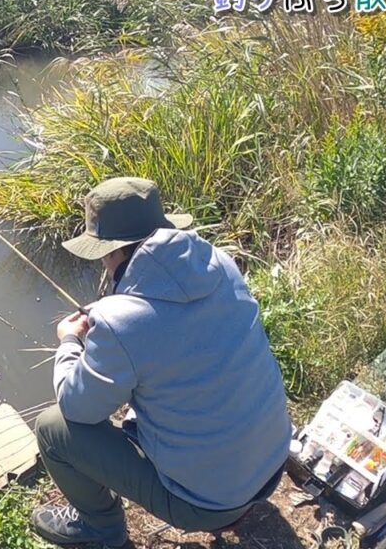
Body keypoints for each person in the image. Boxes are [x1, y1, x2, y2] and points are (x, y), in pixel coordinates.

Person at [31, 177, 292, 547]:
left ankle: (101, 531)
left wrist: (70, 341)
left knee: (52, 428)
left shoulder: (118, 323)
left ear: (114, 251)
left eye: (102, 253)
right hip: (274, 462)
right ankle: (236, 502)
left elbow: (77, 408)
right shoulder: (221, 264)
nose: (103, 263)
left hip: (207, 504)